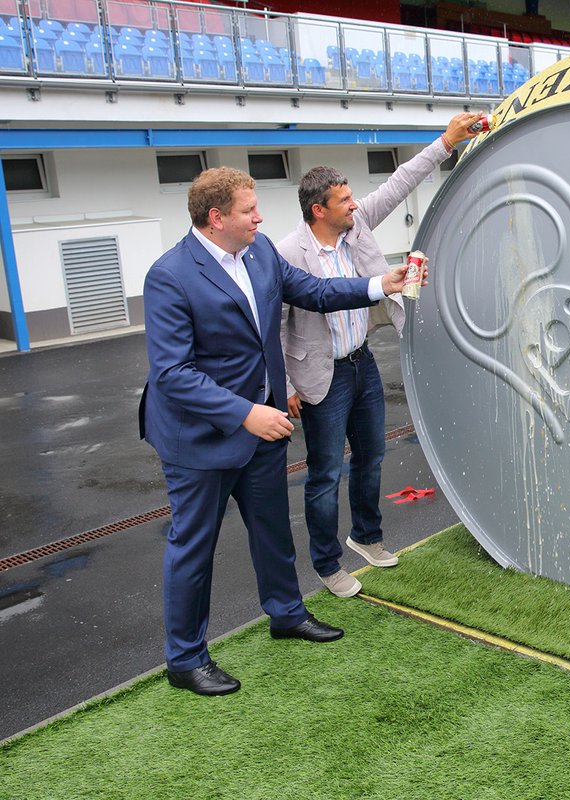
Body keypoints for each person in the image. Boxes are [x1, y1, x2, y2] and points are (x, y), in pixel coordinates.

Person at [140, 167, 411, 696]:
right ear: (216, 218)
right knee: (193, 546)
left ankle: (286, 613)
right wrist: (246, 413)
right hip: (201, 439)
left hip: (262, 426)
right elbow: (172, 374)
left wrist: (380, 284)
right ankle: (185, 658)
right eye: (248, 210)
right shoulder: (170, 274)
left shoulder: (261, 251)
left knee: (272, 530)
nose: (259, 217)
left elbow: (312, 290)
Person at [278, 113, 480, 598]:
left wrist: (446, 143)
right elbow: (273, 324)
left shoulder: (358, 225)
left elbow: (400, 180)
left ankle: (366, 537)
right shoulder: (287, 253)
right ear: (317, 210)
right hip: (319, 377)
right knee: (325, 472)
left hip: (360, 361)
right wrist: (283, 385)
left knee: (371, 456)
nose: (355, 205)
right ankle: (328, 566)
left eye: (352, 197)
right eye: (344, 200)